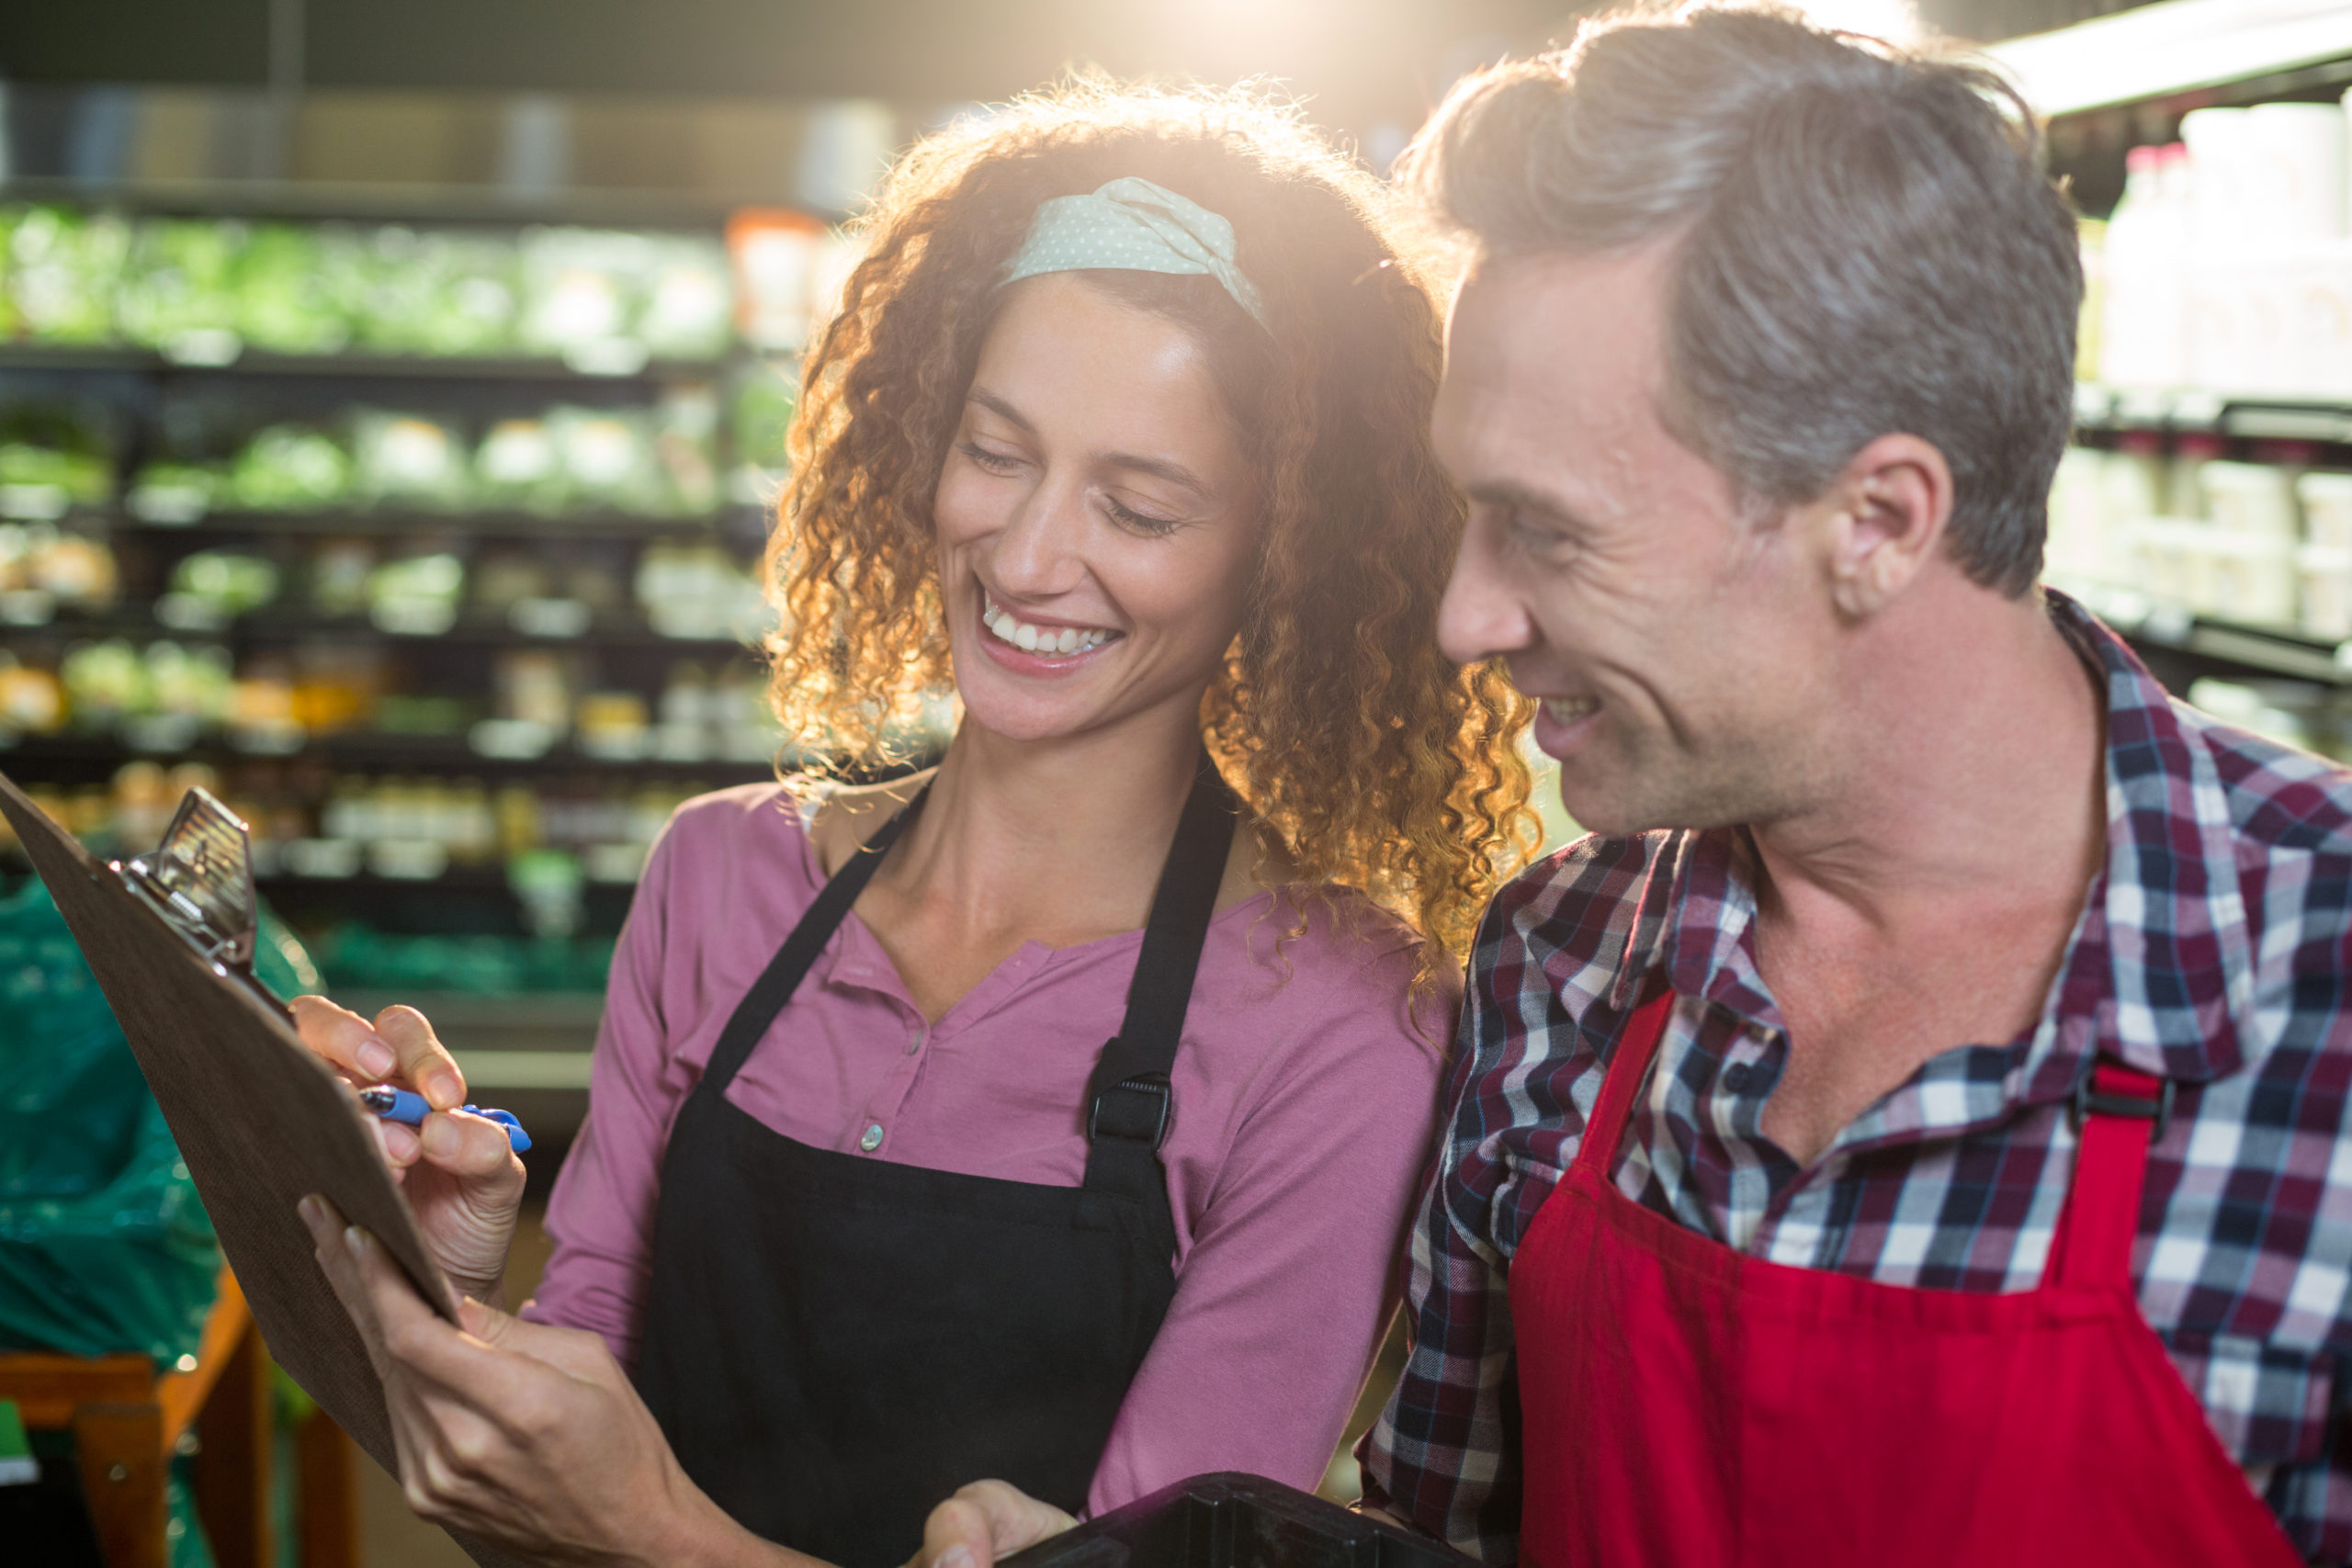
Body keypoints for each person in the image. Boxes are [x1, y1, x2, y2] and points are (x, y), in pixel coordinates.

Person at [288, 81, 1535, 1568]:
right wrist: (450, 1297)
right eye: (998, 450)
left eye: (1138, 507)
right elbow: (547, 1498)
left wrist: (651, 1531)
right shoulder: (720, 877)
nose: (1025, 552)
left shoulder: (1340, 1027)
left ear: (1283, 561)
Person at [1328, 8, 2352, 1568]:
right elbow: (1436, 1542)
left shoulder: (2321, 1010)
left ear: (1877, 521)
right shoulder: (1559, 962)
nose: (1465, 618)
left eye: (1547, 530)